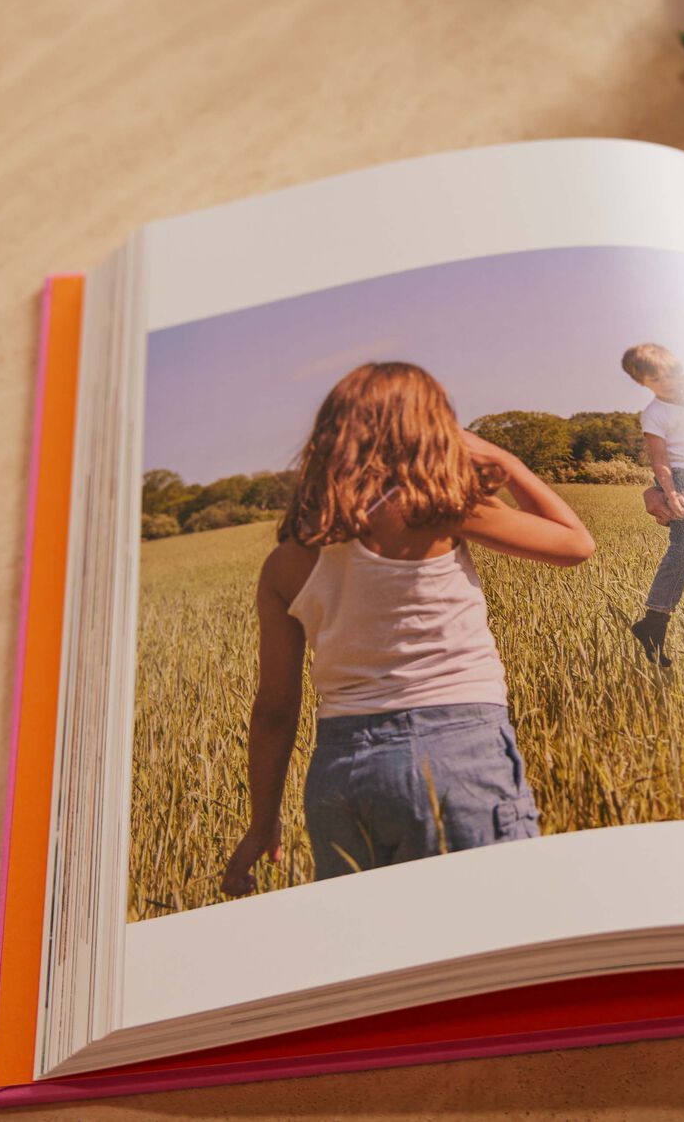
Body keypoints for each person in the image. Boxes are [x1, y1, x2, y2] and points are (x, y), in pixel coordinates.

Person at [221, 362, 595, 895]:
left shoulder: (284, 563)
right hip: (455, 751)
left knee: (382, 947)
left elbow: (274, 710)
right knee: (501, 924)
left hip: (340, 774)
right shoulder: (436, 509)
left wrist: (263, 821)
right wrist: (503, 460)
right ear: (430, 430)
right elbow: (576, 544)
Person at [620, 343, 684, 666]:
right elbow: (659, 459)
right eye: (659, 380)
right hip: (678, 478)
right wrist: (670, 491)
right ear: (644, 384)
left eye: (674, 374)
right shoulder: (654, 414)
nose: (672, 383)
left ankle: (655, 621)